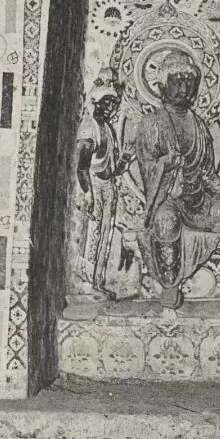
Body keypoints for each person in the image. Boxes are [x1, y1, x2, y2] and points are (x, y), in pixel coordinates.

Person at [135, 49, 220, 309]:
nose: (184, 89)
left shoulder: (198, 125)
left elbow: (208, 175)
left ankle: (209, 225)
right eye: (177, 82)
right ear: (161, 87)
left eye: (189, 82)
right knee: (166, 222)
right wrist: (165, 164)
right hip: (170, 200)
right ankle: (170, 284)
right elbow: (147, 168)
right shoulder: (152, 123)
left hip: (200, 201)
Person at [76, 83, 133, 299]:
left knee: (105, 235)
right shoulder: (89, 128)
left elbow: (113, 169)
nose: (111, 108)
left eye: (114, 104)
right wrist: (88, 194)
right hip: (93, 185)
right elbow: (82, 167)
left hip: (107, 187)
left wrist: (125, 158)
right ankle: (87, 284)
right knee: (93, 234)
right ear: (96, 103)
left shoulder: (108, 130)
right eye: (106, 103)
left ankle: (97, 282)